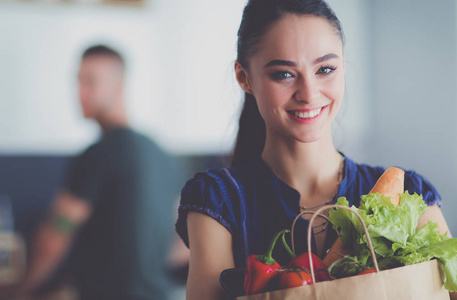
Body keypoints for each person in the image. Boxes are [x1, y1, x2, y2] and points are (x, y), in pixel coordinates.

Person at [174, 1, 455, 299]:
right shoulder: (218, 201)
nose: (309, 94)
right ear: (245, 78)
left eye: (325, 69)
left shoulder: (408, 195)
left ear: (343, 68)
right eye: (284, 74)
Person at [15, 45, 179, 300]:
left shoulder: (99, 153)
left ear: (119, 85)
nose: (80, 93)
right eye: (78, 82)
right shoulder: (160, 153)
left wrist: (23, 289)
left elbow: (57, 234)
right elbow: (180, 245)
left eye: (90, 82)